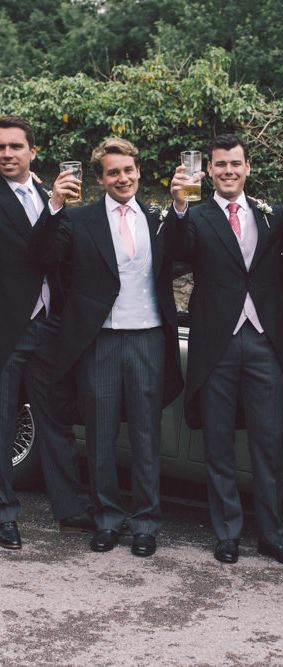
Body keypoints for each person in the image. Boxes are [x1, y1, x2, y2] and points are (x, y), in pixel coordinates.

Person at [35, 137, 183, 557]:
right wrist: (55, 208)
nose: (123, 178)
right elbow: (48, 258)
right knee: (100, 436)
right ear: (100, 179)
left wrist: (181, 208)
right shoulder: (79, 221)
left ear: (139, 172)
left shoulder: (157, 218)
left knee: (145, 435)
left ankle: (146, 524)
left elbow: (186, 252)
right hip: (99, 338)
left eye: (129, 170)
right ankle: (108, 519)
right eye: (113, 172)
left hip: (149, 337)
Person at [170, 134, 283, 567]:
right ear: (208, 170)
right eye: (220, 164)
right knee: (219, 444)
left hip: (263, 341)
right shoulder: (196, 215)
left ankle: (273, 535)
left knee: (269, 445)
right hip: (216, 345)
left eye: (236, 164)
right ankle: (227, 533)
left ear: (248, 168)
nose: (228, 171)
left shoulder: (272, 216)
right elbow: (177, 252)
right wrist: (178, 208)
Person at [0, 115, 93, 550]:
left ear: (32, 152)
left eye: (15, 146)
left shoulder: (44, 193)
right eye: (0, 147)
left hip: (47, 327)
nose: (6, 153)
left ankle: (71, 510)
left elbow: (55, 256)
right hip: (6, 329)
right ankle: (4, 516)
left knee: (54, 419)